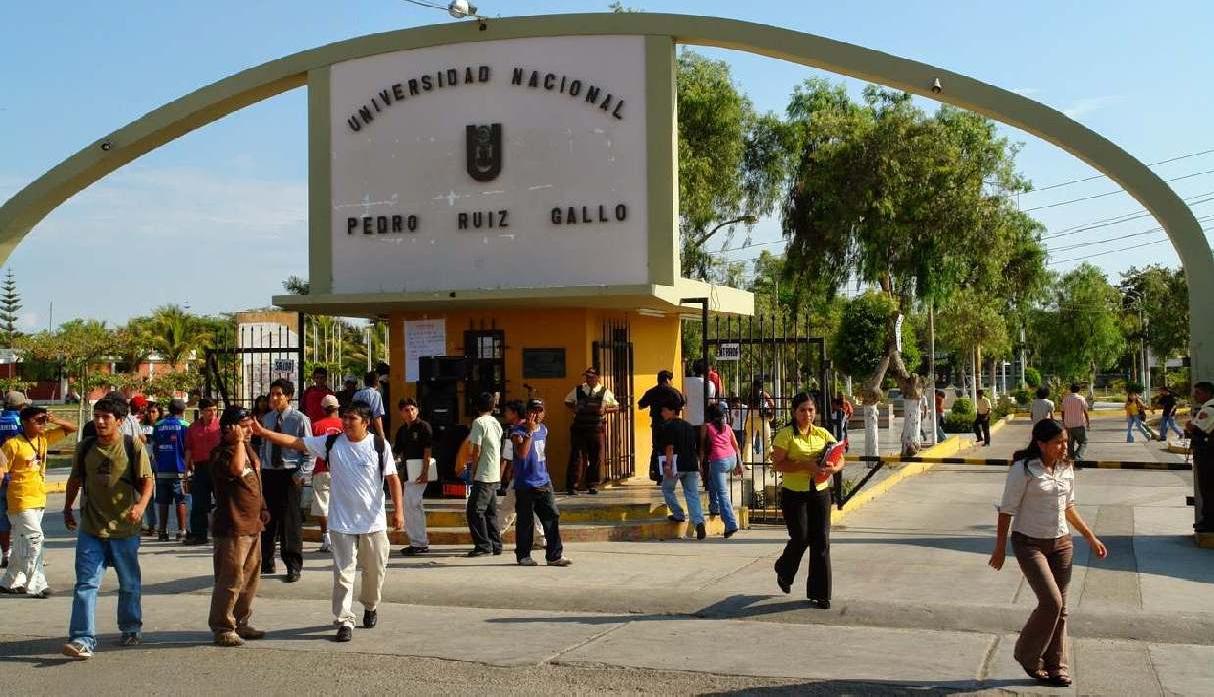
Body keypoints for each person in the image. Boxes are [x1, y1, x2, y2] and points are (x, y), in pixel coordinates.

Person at [252, 400, 404, 642]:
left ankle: (370, 605)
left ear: (365, 422)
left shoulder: (378, 444)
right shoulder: (332, 443)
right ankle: (344, 620)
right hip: (341, 523)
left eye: (351, 418)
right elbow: (296, 442)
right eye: (344, 417)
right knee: (343, 575)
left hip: (373, 523)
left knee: (375, 571)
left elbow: (393, 479)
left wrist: (399, 511)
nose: (345, 422)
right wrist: (264, 433)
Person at [989, 418, 1107, 688]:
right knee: (1051, 603)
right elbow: (1007, 510)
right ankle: (1027, 655)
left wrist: (1090, 537)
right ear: (1040, 444)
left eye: (1065, 441)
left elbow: (1069, 507)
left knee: (1062, 609)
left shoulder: (1067, 468)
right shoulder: (1023, 470)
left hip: (1062, 544)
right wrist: (999, 548)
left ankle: (1057, 667)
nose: (1064, 447)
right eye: (1058, 442)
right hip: (1029, 543)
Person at [61, 397, 155, 659]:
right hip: (91, 529)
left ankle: (131, 626)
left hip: (124, 530)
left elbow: (147, 482)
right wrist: (68, 508)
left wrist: (140, 507)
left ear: (120, 421)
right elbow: (75, 480)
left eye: (106, 417)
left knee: (128, 584)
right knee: (86, 585)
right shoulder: (85, 447)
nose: (100, 421)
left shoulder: (131, 445)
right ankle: (82, 639)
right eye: (97, 416)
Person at [771, 393, 841, 608]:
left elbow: (840, 458)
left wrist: (833, 468)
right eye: (802, 410)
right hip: (794, 493)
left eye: (811, 410)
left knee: (821, 540)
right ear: (794, 411)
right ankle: (784, 570)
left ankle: (821, 593)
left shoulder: (822, 434)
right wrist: (804, 465)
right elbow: (778, 464)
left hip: (820, 491)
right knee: (800, 537)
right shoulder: (785, 436)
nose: (807, 414)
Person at [208, 406, 269, 647]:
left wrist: (263, 506)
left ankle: (241, 621)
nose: (250, 431)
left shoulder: (248, 449)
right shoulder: (221, 453)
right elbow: (235, 470)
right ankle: (223, 626)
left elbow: (255, 479)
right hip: (232, 527)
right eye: (244, 427)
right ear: (229, 429)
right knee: (230, 578)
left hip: (252, 525)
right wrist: (238, 441)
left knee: (250, 580)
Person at [0, 406, 77, 597]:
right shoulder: (12, 445)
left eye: (44, 420)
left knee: (21, 543)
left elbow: (72, 428)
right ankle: (37, 584)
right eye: (38, 420)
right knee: (36, 539)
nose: (43, 423)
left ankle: (9, 581)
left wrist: (54, 419)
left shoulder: (43, 439)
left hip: (38, 498)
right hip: (20, 500)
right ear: (24, 423)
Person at [258, 379, 314, 582]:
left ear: (288, 396)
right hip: (270, 472)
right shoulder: (267, 419)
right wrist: (262, 469)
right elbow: (264, 446)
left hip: (290, 473)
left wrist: (301, 475)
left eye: (278, 394)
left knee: (290, 522)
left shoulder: (300, 419)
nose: (274, 398)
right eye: (272, 394)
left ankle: (293, 565)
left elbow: (310, 449)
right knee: (267, 519)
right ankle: (266, 561)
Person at [509, 399, 571, 566]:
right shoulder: (517, 432)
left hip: (543, 481)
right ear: (527, 412)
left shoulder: (543, 430)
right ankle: (523, 555)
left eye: (540, 411)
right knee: (525, 522)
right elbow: (522, 453)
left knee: (552, 517)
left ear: (544, 413)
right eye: (533, 411)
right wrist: (529, 432)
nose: (536, 415)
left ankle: (554, 555)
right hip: (525, 484)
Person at [497, 400, 546, 553]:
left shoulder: (518, 430)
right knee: (520, 508)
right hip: (529, 476)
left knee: (508, 507)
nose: (505, 414)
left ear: (515, 413)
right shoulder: (530, 428)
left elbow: (510, 456)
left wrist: (503, 474)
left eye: (508, 411)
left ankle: (495, 534)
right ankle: (540, 538)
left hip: (522, 478)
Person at [563, 367, 619, 495]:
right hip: (579, 427)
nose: (588, 379)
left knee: (596, 456)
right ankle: (572, 485)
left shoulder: (605, 392)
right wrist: (575, 407)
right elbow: (567, 401)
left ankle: (592, 484)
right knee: (576, 456)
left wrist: (604, 410)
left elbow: (616, 406)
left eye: (591, 377)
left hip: (596, 427)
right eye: (587, 377)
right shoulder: (578, 389)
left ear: (597, 378)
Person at [658, 403, 706, 540]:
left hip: (676, 464)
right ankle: (699, 522)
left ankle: (678, 514)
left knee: (667, 489)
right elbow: (695, 446)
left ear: (672, 411)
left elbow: (670, 448)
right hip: (691, 464)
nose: (662, 413)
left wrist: (667, 465)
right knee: (692, 494)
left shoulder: (669, 426)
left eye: (664, 410)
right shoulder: (689, 426)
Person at [393, 397, 434, 556]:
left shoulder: (424, 427)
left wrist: (424, 472)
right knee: (411, 506)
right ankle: (417, 541)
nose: (410, 413)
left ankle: (419, 542)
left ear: (417, 410)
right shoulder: (403, 430)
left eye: (412, 409)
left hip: (420, 470)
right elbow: (397, 450)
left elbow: (428, 451)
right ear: (401, 413)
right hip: (409, 471)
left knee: (412, 504)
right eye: (406, 410)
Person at [463, 392, 503, 557]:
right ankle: (495, 544)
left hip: (484, 474)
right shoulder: (495, 422)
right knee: (490, 512)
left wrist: (473, 471)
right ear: (493, 407)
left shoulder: (478, 422)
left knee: (475, 510)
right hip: (494, 472)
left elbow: (477, 449)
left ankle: (483, 545)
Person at [703, 402, 743, 538]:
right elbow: (736, 445)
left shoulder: (707, 427)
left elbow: (703, 447)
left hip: (718, 461)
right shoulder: (727, 427)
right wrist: (739, 463)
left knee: (723, 493)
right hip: (731, 458)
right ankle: (714, 507)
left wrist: (700, 463)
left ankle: (731, 524)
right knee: (712, 479)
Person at [183, 399, 220, 546]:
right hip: (200, 467)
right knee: (199, 503)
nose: (213, 413)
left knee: (223, 500)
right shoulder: (193, 428)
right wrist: (186, 469)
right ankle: (199, 534)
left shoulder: (220, 426)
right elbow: (189, 449)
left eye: (215, 409)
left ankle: (224, 531)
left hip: (218, 466)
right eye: (209, 410)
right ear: (202, 411)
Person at [310, 395, 344, 554]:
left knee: (323, 505)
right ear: (337, 408)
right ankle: (343, 537)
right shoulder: (346, 424)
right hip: (342, 471)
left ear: (323, 409)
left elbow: (310, 450)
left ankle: (327, 538)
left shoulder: (316, 426)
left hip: (321, 469)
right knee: (342, 504)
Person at [637, 370, 684, 483]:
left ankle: (658, 475)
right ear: (668, 379)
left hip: (657, 425)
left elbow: (641, 405)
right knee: (670, 448)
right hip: (671, 424)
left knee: (657, 448)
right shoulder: (673, 392)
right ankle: (670, 474)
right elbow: (681, 403)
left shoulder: (652, 391)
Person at [153, 399, 190, 542]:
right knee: (180, 501)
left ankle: (162, 531)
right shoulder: (185, 426)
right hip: (179, 468)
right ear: (182, 411)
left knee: (163, 501)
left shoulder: (158, 425)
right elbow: (188, 448)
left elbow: (155, 447)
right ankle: (181, 531)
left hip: (162, 468)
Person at [0, 390, 27, 569]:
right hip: (19, 478)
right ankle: (23, 555)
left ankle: (6, 554)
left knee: (2, 519)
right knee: (23, 519)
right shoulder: (23, 423)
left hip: (1, 475)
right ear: (21, 406)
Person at [1185, 381, 1214, 533]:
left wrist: (1190, 426)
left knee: (1208, 489)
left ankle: (1209, 523)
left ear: (1207, 393)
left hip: (1208, 456)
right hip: (1208, 455)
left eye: (1198, 393)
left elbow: (1195, 429)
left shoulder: (1209, 410)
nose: (1195, 396)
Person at [744, 378, 775, 462]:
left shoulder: (750, 394)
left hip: (751, 419)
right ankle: (768, 460)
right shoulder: (764, 394)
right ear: (761, 386)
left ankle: (747, 461)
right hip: (762, 419)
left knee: (749, 441)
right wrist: (771, 413)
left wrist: (745, 421)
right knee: (767, 440)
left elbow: (748, 408)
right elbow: (772, 404)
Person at [1060, 384, 1090, 460]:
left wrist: (1064, 422)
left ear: (1070, 389)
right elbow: (1085, 412)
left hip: (1068, 425)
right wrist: (1088, 423)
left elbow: (1062, 412)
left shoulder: (1065, 399)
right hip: (1079, 425)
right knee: (1083, 442)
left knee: (1070, 444)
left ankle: (1071, 459)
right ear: (1079, 390)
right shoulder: (1081, 399)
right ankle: (1078, 456)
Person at [353, 371, 386, 439]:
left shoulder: (357, 394)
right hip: (369, 428)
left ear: (365, 382)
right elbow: (377, 417)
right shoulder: (376, 394)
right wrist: (382, 435)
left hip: (356, 426)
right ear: (377, 382)